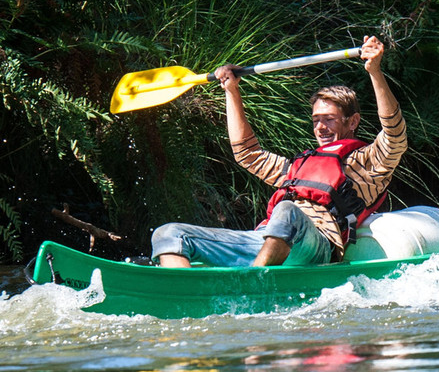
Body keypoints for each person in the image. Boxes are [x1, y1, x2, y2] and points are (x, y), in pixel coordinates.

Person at [151, 35, 407, 267]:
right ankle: (184, 290)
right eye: (316, 119)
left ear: (352, 122)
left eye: (329, 119)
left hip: (316, 246)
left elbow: (394, 134)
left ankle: (252, 283)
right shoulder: (297, 168)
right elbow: (247, 154)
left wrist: (374, 71)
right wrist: (231, 90)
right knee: (169, 234)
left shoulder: (367, 163)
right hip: (266, 238)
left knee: (287, 211)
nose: (321, 127)